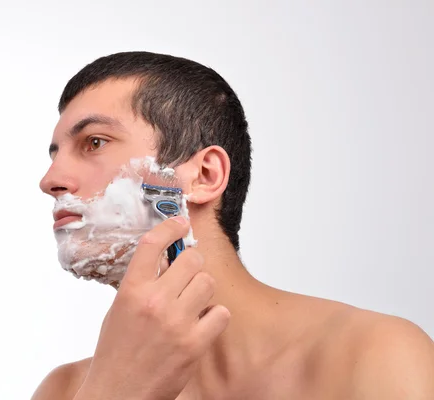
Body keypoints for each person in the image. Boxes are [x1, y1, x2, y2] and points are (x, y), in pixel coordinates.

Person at [32, 51, 434, 400]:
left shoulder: (374, 356)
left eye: (94, 142)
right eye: (56, 154)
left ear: (204, 175)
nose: (50, 180)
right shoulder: (66, 391)